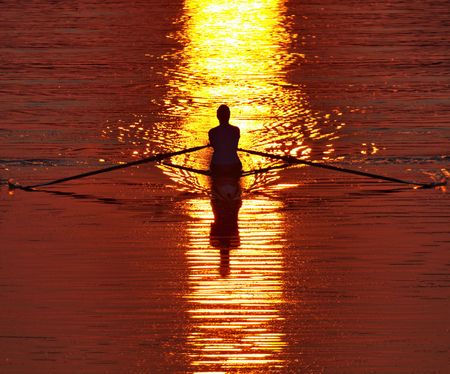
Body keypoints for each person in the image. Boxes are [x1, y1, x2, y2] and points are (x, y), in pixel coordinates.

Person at [208, 105, 242, 177]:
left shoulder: (212, 132)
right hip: (234, 165)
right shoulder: (236, 130)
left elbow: (214, 146)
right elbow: (235, 147)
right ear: (229, 115)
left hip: (217, 165)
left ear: (217, 116)